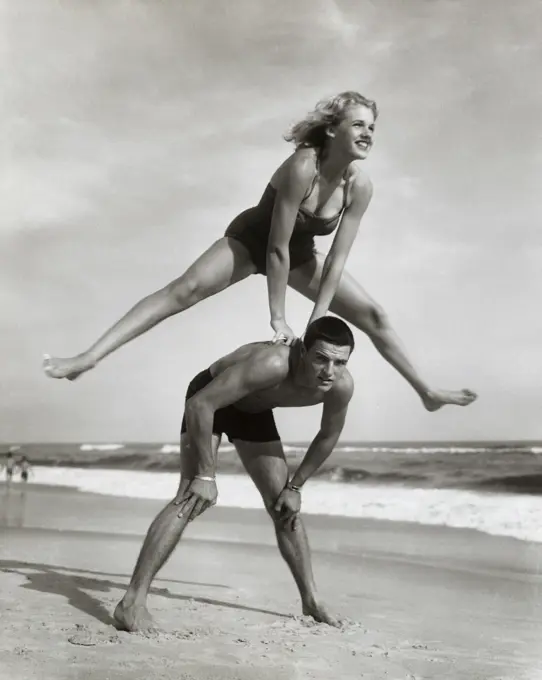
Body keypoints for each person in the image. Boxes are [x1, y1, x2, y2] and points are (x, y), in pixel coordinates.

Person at [43, 91, 476, 412]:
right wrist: (279, 317)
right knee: (183, 291)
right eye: (359, 125)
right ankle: (88, 358)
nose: (368, 134)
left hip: (301, 253)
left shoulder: (359, 187)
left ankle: (426, 391)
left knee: (375, 316)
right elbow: (274, 251)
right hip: (252, 241)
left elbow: (337, 260)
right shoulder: (301, 167)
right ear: (332, 129)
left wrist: (317, 319)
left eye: (372, 127)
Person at [114, 317, 359, 633]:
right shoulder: (271, 363)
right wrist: (205, 475)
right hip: (209, 401)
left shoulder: (340, 386)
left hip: (254, 411)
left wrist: (296, 486)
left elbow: (327, 435)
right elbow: (201, 405)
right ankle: (131, 603)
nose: (329, 371)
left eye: (340, 362)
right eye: (321, 358)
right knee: (190, 496)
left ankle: (311, 600)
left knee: (284, 507)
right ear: (302, 349)